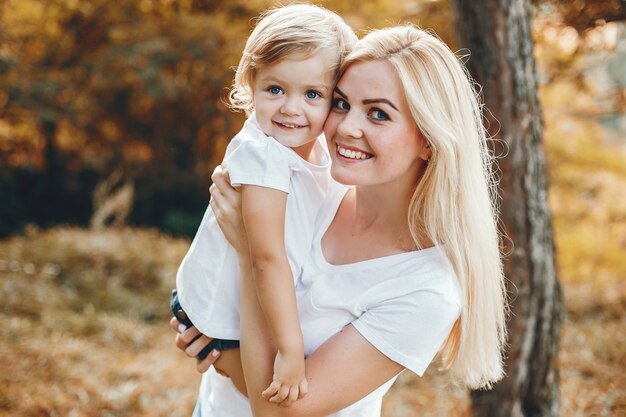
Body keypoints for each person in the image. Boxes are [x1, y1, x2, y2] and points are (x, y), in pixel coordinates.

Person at [173, 24, 508, 417]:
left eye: (379, 114)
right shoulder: (316, 182)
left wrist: (221, 350)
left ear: (429, 140)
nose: (347, 128)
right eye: (342, 103)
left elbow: (281, 411)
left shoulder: (426, 289)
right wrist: (198, 309)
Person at [173, 2, 357, 405]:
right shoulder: (263, 155)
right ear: (251, 82)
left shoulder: (317, 150)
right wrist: (291, 350)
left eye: (312, 94)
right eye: (275, 89)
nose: (291, 108)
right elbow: (266, 257)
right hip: (216, 310)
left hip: (237, 305)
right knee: (273, 400)